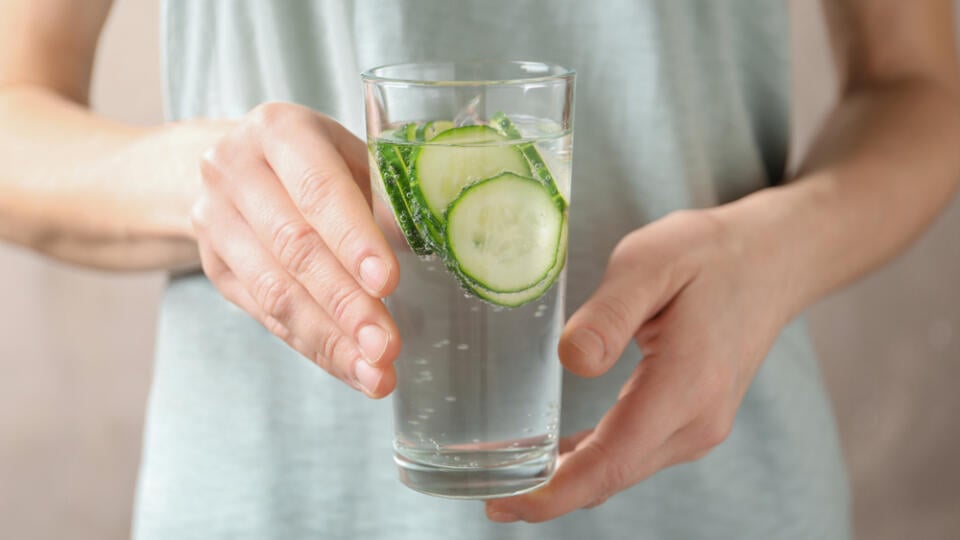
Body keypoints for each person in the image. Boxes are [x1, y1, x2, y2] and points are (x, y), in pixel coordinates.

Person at [2, 0, 959, 538]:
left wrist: (773, 251)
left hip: (713, 496)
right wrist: (206, 184)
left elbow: (919, 86)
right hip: (273, 503)